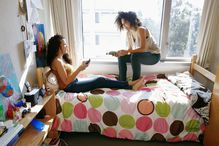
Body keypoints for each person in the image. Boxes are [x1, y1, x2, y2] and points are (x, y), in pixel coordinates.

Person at [46, 34, 145, 93]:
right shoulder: (57, 61)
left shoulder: (59, 59)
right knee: (99, 80)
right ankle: (131, 85)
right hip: (71, 87)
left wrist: (81, 68)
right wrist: (79, 68)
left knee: (100, 79)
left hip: (74, 83)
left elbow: (67, 77)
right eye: (64, 44)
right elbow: (66, 82)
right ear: (57, 47)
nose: (66, 46)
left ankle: (130, 84)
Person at [114, 11, 161, 81]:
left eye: (125, 23)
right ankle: (122, 80)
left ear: (131, 21)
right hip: (142, 56)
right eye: (122, 24)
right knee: (121, 57)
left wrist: (127, 51)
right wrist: (122, 53)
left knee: (135, 56)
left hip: (154, 56)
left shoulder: (141, 29)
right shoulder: (129, 33)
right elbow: (130, 50)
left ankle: (135, 81)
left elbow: (143, 49)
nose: (124, 26)